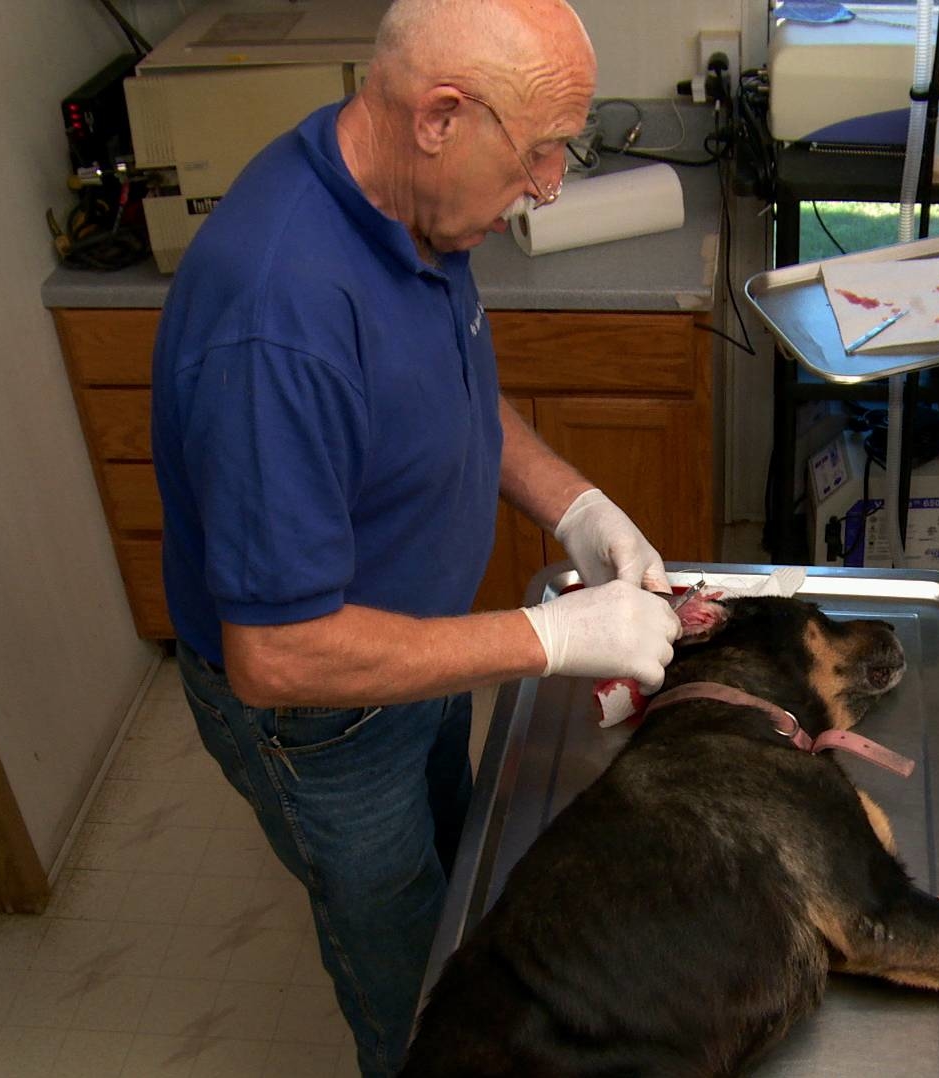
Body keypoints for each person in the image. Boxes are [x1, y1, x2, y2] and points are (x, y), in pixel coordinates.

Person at [149, 2, 680, 1073]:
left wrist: (576, 504)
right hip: (323, 721)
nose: (549, 187)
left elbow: (446, 392)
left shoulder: (408, 203)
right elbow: (278, 656)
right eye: (538, 153)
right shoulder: (275, 322)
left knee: (456, 879)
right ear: (441, 116)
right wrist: (552, 639)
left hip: (420, 652)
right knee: (413, 994)